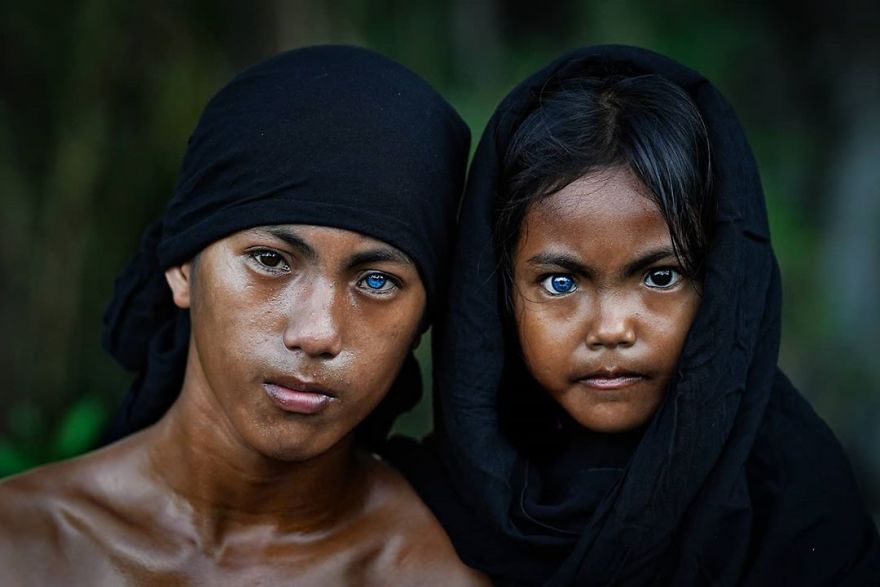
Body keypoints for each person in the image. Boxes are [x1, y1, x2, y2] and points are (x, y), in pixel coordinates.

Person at [389, 45, 880, 585]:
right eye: (560, 282)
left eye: (660, 277)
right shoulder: (419, 508)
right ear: (499, 293)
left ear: (720, 285)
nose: (612, 329)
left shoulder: (796, 502)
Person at [0, 45, 489, 586]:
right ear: (183, 266)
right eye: (271, 260)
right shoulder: (19, 545)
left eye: (377, 281)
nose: (317, 333)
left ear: (424, 316)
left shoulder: (436, 573)